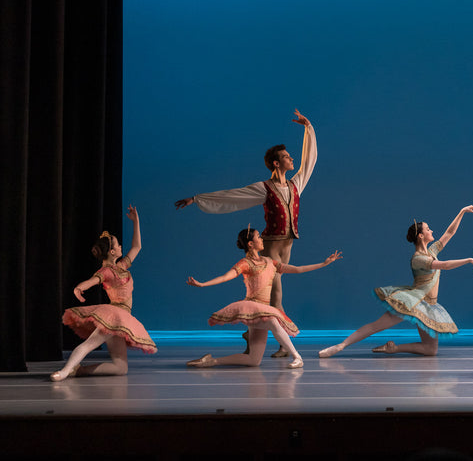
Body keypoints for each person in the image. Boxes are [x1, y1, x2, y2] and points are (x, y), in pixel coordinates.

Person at [175, 109, 316, 320]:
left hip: (288, 245)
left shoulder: (296, 185)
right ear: (276, 163)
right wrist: (197, 199)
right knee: (276, 294)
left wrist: (308, 129)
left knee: (268, 293)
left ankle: (253, 335)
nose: (291, 158)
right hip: (271, 246)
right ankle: (282, 340)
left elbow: (308, 162)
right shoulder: (264, 188)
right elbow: (233, 196)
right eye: (287, 157)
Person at [319, 206, 473, 357]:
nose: (432, 230)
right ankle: (340, 346)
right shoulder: (418, 258)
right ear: (421, 235)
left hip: (428, 306)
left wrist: (462, 212)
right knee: (376, 326)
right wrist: (469, 260)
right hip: (412, 302)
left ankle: (393, 348)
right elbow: (446, 265)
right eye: (428, 229)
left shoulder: (432, 251)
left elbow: (449, 233)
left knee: (430, 350)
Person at [185, 227, 341, 369]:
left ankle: (210, 361)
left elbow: (298, 269)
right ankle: (297, 357)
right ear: (251, 244)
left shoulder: (269, 262)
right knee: (273, 320)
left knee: (254, 360)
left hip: (261, 310)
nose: (262, 239)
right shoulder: (246, 263)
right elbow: (226, 276)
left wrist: (324, 263)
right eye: (258, 237)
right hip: (252, 307)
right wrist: (203, 284)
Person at [52, 206, 156, 381]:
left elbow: (137, 246)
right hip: (114, 315)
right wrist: (79, 287)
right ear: (112, 252)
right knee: (89, 344)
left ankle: (78, 370)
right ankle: (64, 371)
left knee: (120, 368)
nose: (121, 246)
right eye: (117, 244)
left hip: (121, 319)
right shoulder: (106, 271)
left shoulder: (122, 266)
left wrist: (136, 221)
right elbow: (93, 281)